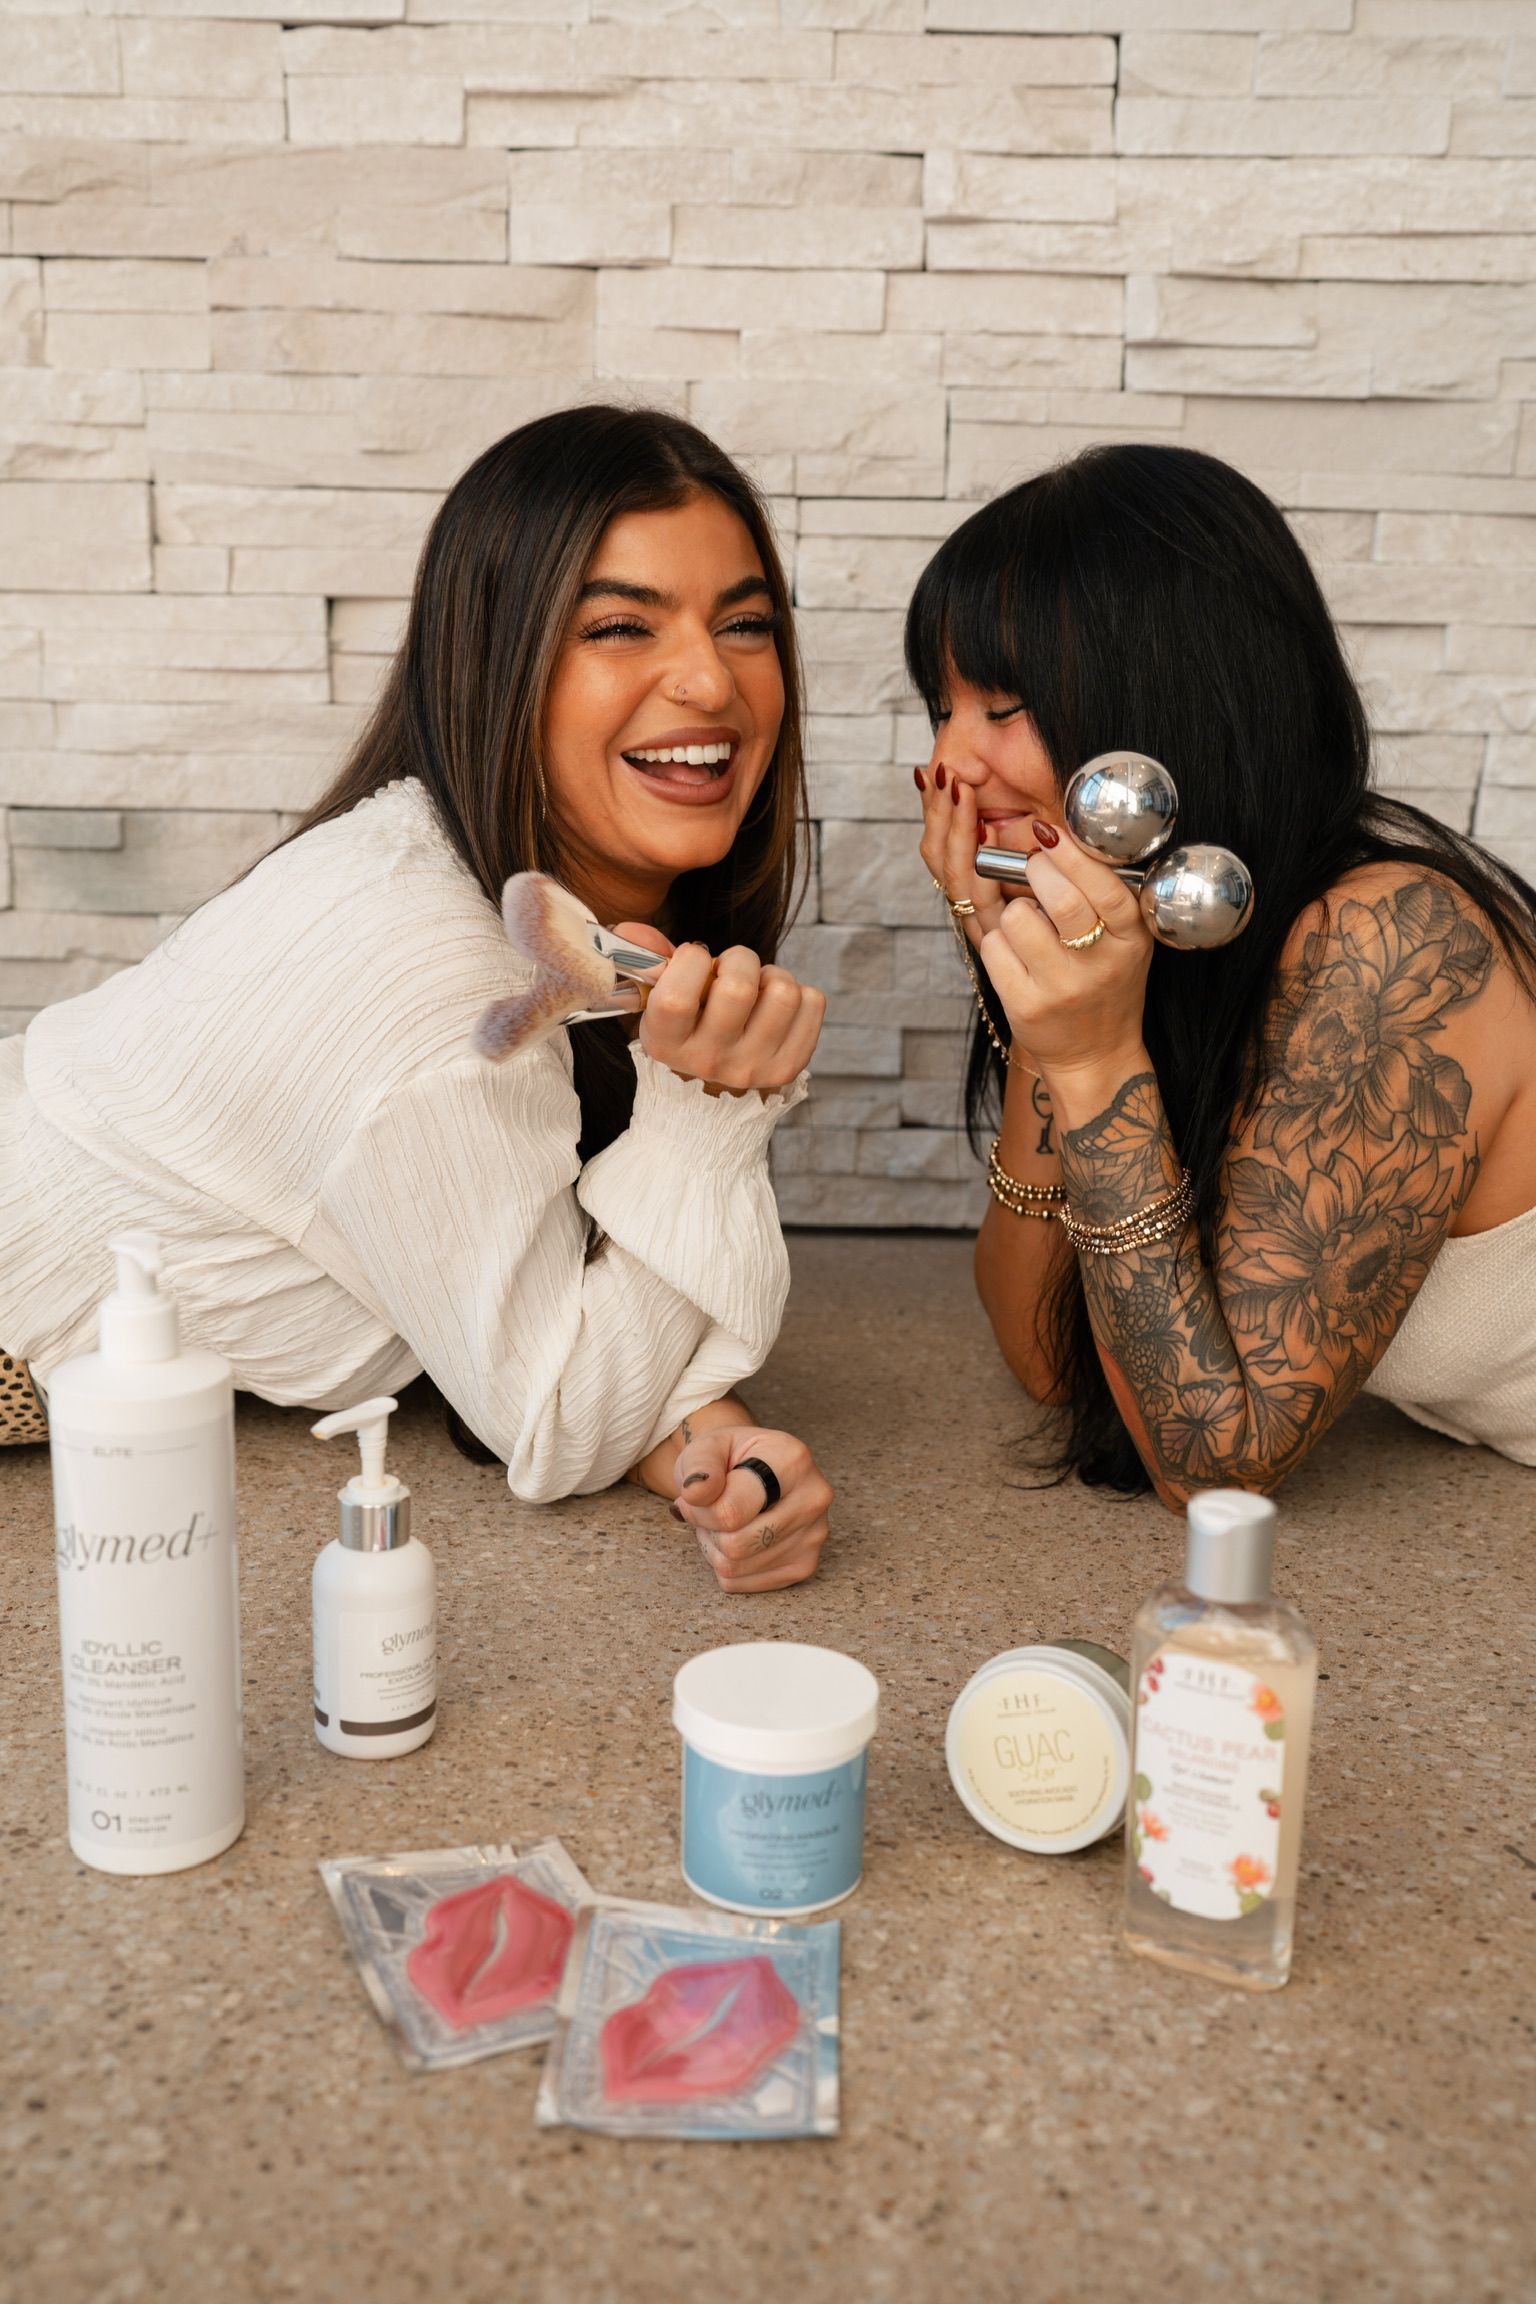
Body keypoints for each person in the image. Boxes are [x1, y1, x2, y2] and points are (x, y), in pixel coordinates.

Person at [0, 405, 834, 1592]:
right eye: (618, 626)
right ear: (495, 658)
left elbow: (515, 1273)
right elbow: (548, 1426)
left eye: (745, 622)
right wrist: (705, 1110)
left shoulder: (498, 896)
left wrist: (707, 1434)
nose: (710, 679)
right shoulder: (436, 981)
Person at [911, 441, 1536, 1506]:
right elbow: (1047, 1357)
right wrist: (1037, 1004)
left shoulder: (1391, 940)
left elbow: (1215, 1467)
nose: (952, 765)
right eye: (942, 707)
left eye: (1003, 708)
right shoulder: (1169, 934)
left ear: (1167, 698)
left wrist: (1097, 1058)